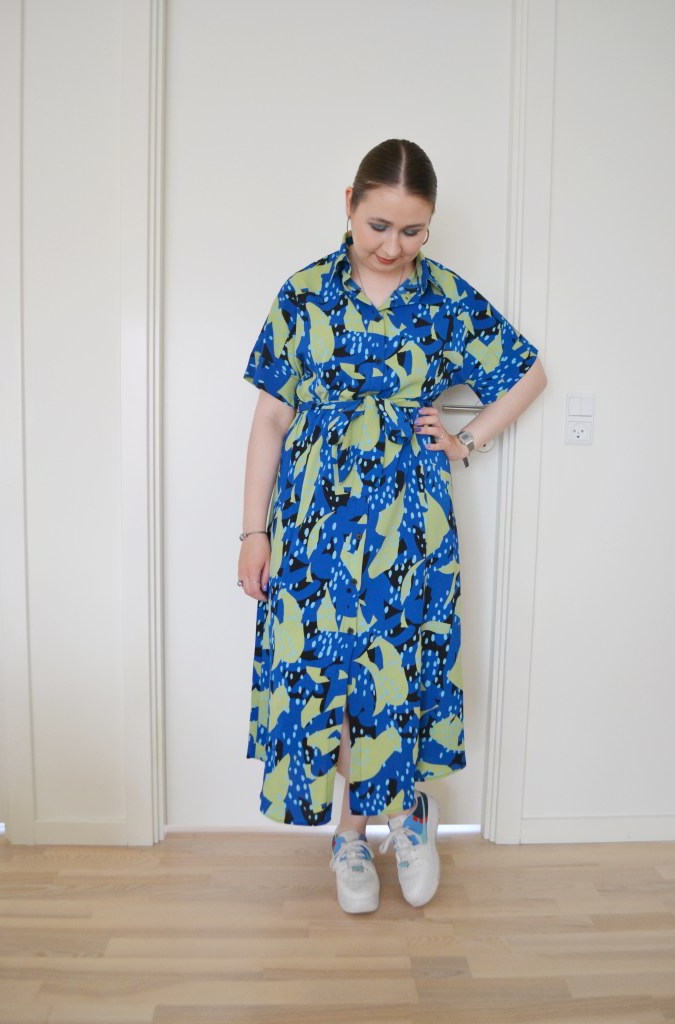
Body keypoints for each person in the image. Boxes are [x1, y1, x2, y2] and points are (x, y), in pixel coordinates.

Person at [238, 139, 546, 914]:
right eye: (378, 225)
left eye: (412, 230)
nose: (391, 245)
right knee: (327, 677)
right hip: (312, 523)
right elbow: (270, 420)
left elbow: (527, 373)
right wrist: (252, 533)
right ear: (349, 203)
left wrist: (466, 439)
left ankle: (405, 817)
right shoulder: (304, 293)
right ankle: (350, 832)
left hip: (409, 521)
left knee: (397, 669)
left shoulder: (443, 298)